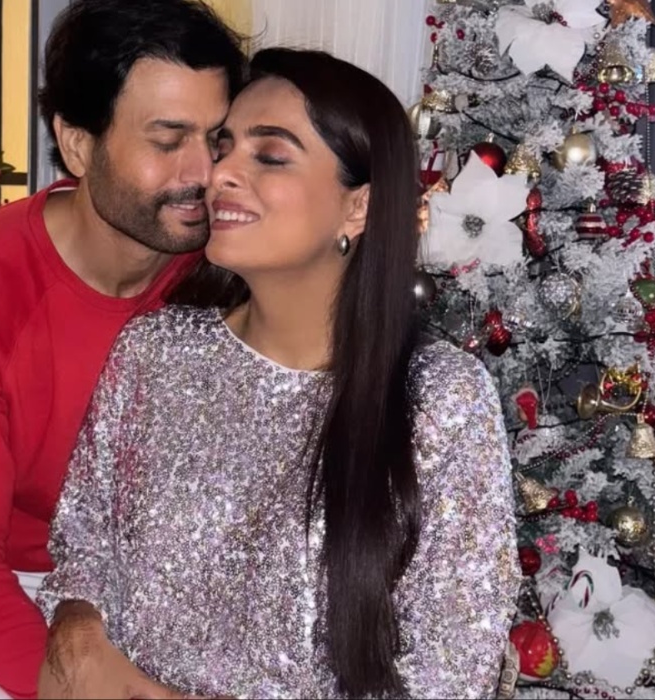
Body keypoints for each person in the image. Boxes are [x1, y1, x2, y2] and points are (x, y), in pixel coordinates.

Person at [37, 48, 522, 699]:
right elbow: (82, 544)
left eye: (269, 155)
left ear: (358, 207)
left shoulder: (439, 398)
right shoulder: (154, 353)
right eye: (224, 147)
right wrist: (79, 632)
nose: (219, 174)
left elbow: (451, 670)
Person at [0, 1, 245, 698]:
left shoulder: (232, 270)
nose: (204, 172)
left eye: (217, 138)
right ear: (77, 144)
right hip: (8, 582)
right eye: (168, 140)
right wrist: (71, 686)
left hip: (171, 590)